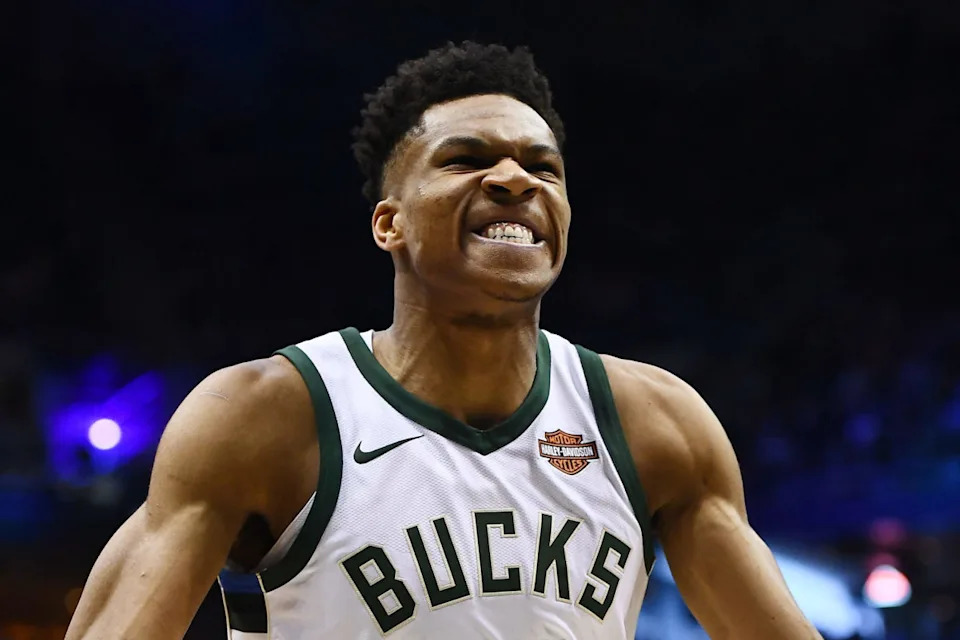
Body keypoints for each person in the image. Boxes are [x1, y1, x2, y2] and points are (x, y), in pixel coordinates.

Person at [66, 41, 821, 639]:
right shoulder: (267, 414)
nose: (514, 179)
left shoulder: (655, 422)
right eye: (466, 159)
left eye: (542, 167)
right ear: (389, 222)